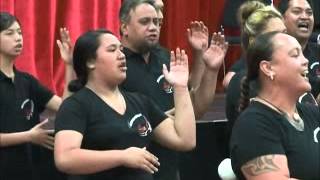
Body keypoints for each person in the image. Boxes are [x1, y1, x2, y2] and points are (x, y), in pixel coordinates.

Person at [54, 29, 196, 180]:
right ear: (90, 61)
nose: (121, 55)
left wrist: (180, 87)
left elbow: (185, 140)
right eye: (112, 50)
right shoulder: (75, 105)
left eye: (121, 49)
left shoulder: (140, 102)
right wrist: (122, 156)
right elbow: (65, 158)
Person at [118, 1, 228, 180]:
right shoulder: (116, 63)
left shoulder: (164, 57)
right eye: (145, 22)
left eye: (156, 22)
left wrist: (211, 69)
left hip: (169, 166)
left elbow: (196, 110)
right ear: (124, 27)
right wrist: (164, 119)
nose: (153, 27)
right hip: (130, 171)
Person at [230, 31, 320, 180]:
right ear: (268, 68)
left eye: (303, 54)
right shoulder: (253, 125)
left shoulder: (313, 113)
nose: (306, 61)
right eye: (295, 55)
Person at [0, 12, 71, 180]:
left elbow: (66, 109)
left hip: (32, 170)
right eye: (9, 33)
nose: (18, 38)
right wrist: (28, 136)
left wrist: (68, 65)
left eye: (19, 32)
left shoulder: (27, 81)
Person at [225, 1, 287, 136]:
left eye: (285, 33)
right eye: (277, 35)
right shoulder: (246, 82)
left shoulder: (290, 75)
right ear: (256, 42)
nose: (287, 39)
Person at [279, 0, 320, 101]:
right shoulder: (272, 55)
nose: (305, 17)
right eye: (297, 12)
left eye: (309, 13)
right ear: (282, 18)